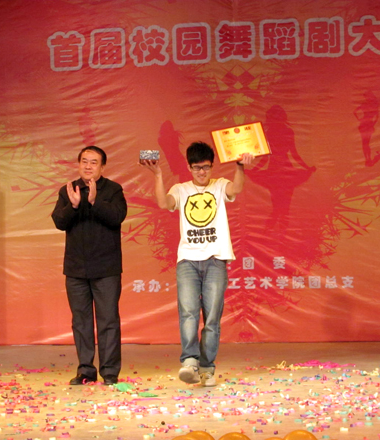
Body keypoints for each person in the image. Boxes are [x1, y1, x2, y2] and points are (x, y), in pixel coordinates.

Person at [141, 141, 254, 386]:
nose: (201, 172)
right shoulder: (181, 189)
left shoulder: (219, 185)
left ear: (212, 166)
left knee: (212, 317)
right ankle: (190, 362)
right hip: (188, 261)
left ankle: (207, 368)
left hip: (215, 260)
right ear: (189, 168)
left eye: (205, 167)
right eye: (196, 168)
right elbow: (164, 203)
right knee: (188, 313)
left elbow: (236, 188)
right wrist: (158, 175)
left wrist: (240, 166)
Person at [52, 146, 127, 386]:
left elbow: (117, 217)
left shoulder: (113, 190)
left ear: (102, 167)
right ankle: (85, 370)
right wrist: (73, 206)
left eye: (94, 162)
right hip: (76, 269)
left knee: (108, 321)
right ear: (78, 164)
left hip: (106, 268)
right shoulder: (68, 190)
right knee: (81, 322)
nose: (88, 166)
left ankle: (109, 372)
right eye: (84, 161)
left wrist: (95, 202)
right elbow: (59, 222)